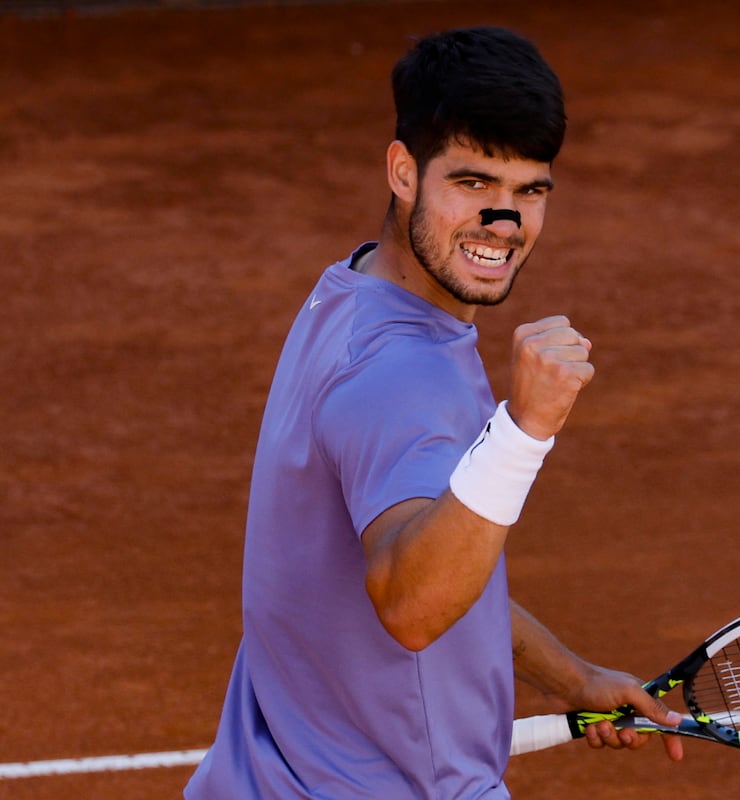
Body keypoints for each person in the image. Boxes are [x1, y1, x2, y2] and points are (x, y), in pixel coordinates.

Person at [184, 25, 682, 800]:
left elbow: (434, 553)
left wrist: (572, 676)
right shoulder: (405, 378)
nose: (504, 223)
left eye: (529, 191)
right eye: (475, 184)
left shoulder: (349, 291)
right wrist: (525, 429)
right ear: (403, 172)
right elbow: (413, 604)